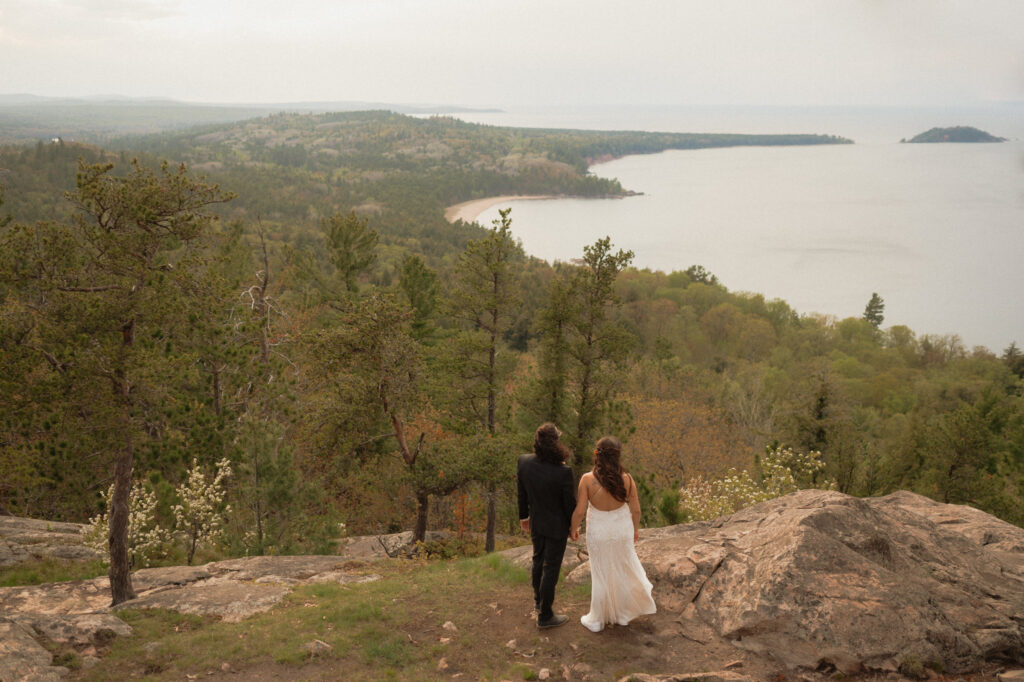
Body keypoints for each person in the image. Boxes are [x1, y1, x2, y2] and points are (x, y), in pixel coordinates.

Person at [570, 435, 656, 633]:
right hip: (621, 530)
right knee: (621, 571)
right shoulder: (627, 479)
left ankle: (598, 620)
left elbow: (580, 511)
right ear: (618, 456)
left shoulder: (587, 480)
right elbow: (636, 510)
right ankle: (623, 616)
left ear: (597, 455)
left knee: (600, 574)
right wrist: (635, 529)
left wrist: (573, 528)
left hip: (598, 531)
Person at [517, 423, 576, 629]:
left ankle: (538, 602)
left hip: (537, 522)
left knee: (537, 560)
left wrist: (524, 516)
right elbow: (570, 505)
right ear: (555, 443)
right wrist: (574, 527)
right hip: (557, 527)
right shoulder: (563, 472)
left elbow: (521, 492)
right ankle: (545, 615)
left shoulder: (524, 462)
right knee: (551, 568)